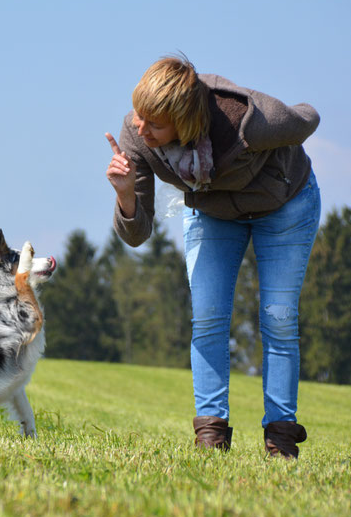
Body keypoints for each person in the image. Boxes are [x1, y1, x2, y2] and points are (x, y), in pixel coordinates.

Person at [105, 56, 321, 459]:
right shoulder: (137, 138)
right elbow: (138, 234)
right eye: (139, 115)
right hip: (215, 211)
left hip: (285, 203)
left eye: (154, 123)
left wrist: (284, 140)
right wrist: (124, 194)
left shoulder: (245, 119)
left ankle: (281, 440)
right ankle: (211, 435)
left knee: (278, 317)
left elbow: (307, 118)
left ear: (183, 121)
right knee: (207, 317)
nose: (140, 128)